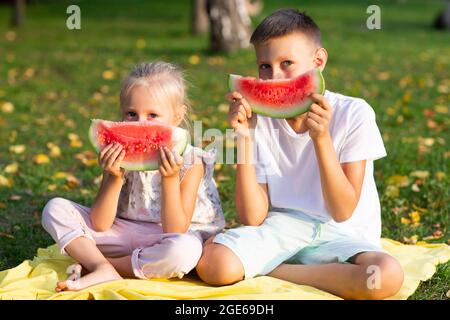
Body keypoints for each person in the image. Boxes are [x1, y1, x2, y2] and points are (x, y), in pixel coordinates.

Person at [195, 9, 404, 300]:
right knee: (214, 265)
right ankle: (320, 275)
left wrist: (321, 139)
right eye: (264, 67)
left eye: (287, 64)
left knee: (383, 276)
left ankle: (274, 270)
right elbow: (253, 217)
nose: (274, 77)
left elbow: (342, 211)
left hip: (343, 235)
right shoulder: (260, 118)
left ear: (318, 61)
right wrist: (244, 139)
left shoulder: (354, 113)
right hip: (282, 228)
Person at [41, 61, 225, 292]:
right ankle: (102, 266)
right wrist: (114, 177)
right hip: (121, 233)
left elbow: (176, 229)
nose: (140, 125)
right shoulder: (120, 154)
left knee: (185, 251)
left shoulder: (191, 162)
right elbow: (100, 223)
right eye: (131, 114)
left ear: (177, 116)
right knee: (55, 208)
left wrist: (169, 179)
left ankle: (100, 267)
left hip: (166, 238)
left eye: (152, 115)